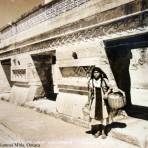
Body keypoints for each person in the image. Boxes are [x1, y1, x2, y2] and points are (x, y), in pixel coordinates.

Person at [84, 67, 113, 139]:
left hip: (103, 100)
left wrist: (106, 94)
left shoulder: (104, 80)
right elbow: (90, 92)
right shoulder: (91, 81)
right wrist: (88, 101)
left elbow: (111, 87)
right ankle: (98, 131)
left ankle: (103, 132)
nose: (95, 74)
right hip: (95, 100)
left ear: (100, 73)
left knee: (104, 115)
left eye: (97, 72)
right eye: (94, 72)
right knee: (95, 115)